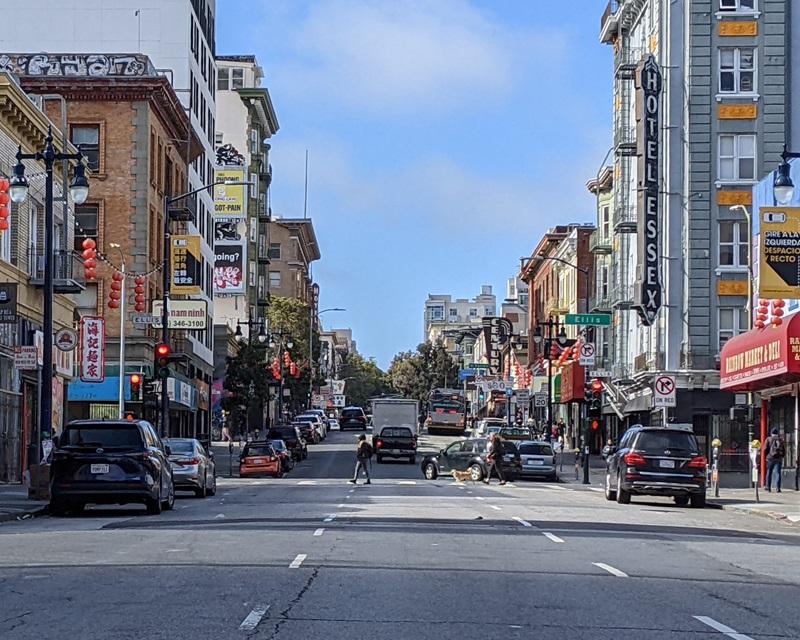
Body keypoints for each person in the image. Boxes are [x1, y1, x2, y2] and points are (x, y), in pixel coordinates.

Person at [764, 427, 786, 492]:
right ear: (777, 433)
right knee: (778, 473)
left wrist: (767, 455)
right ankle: (778, 488)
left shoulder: (768, 439)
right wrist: (782, 456)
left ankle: (768, 487)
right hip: (778, 459)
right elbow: (784, 450)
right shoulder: (780, 440)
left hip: (770, 458)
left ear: (771, 433)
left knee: (769, 472)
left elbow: (765, 449)